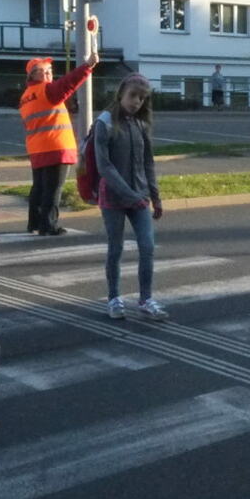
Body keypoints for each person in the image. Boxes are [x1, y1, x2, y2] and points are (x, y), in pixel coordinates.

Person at [92, 73, 167, 321]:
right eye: (133, 96)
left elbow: (148, 162)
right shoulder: (104, 122)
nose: (137, 102)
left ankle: (146, 299)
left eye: (142, 98)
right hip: (113, 197)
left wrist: (154, 196)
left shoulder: (140, 124)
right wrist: (130, 194)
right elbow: (105, 167)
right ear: (122, 92)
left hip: (140, 197)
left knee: (147, 246)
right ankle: (114, 298)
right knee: (116, 248)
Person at [21, 25, 99, 235]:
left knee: (39, 187)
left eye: (49, 70)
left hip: (37, 149)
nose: (48, 74)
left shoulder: (26, 96)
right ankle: (49, 225)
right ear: (33, 75)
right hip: (56, 147)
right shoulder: (47, 90)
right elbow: (68, 83)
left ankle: (34, 223)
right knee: (54, 188)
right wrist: (88, 66)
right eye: (43, 71)